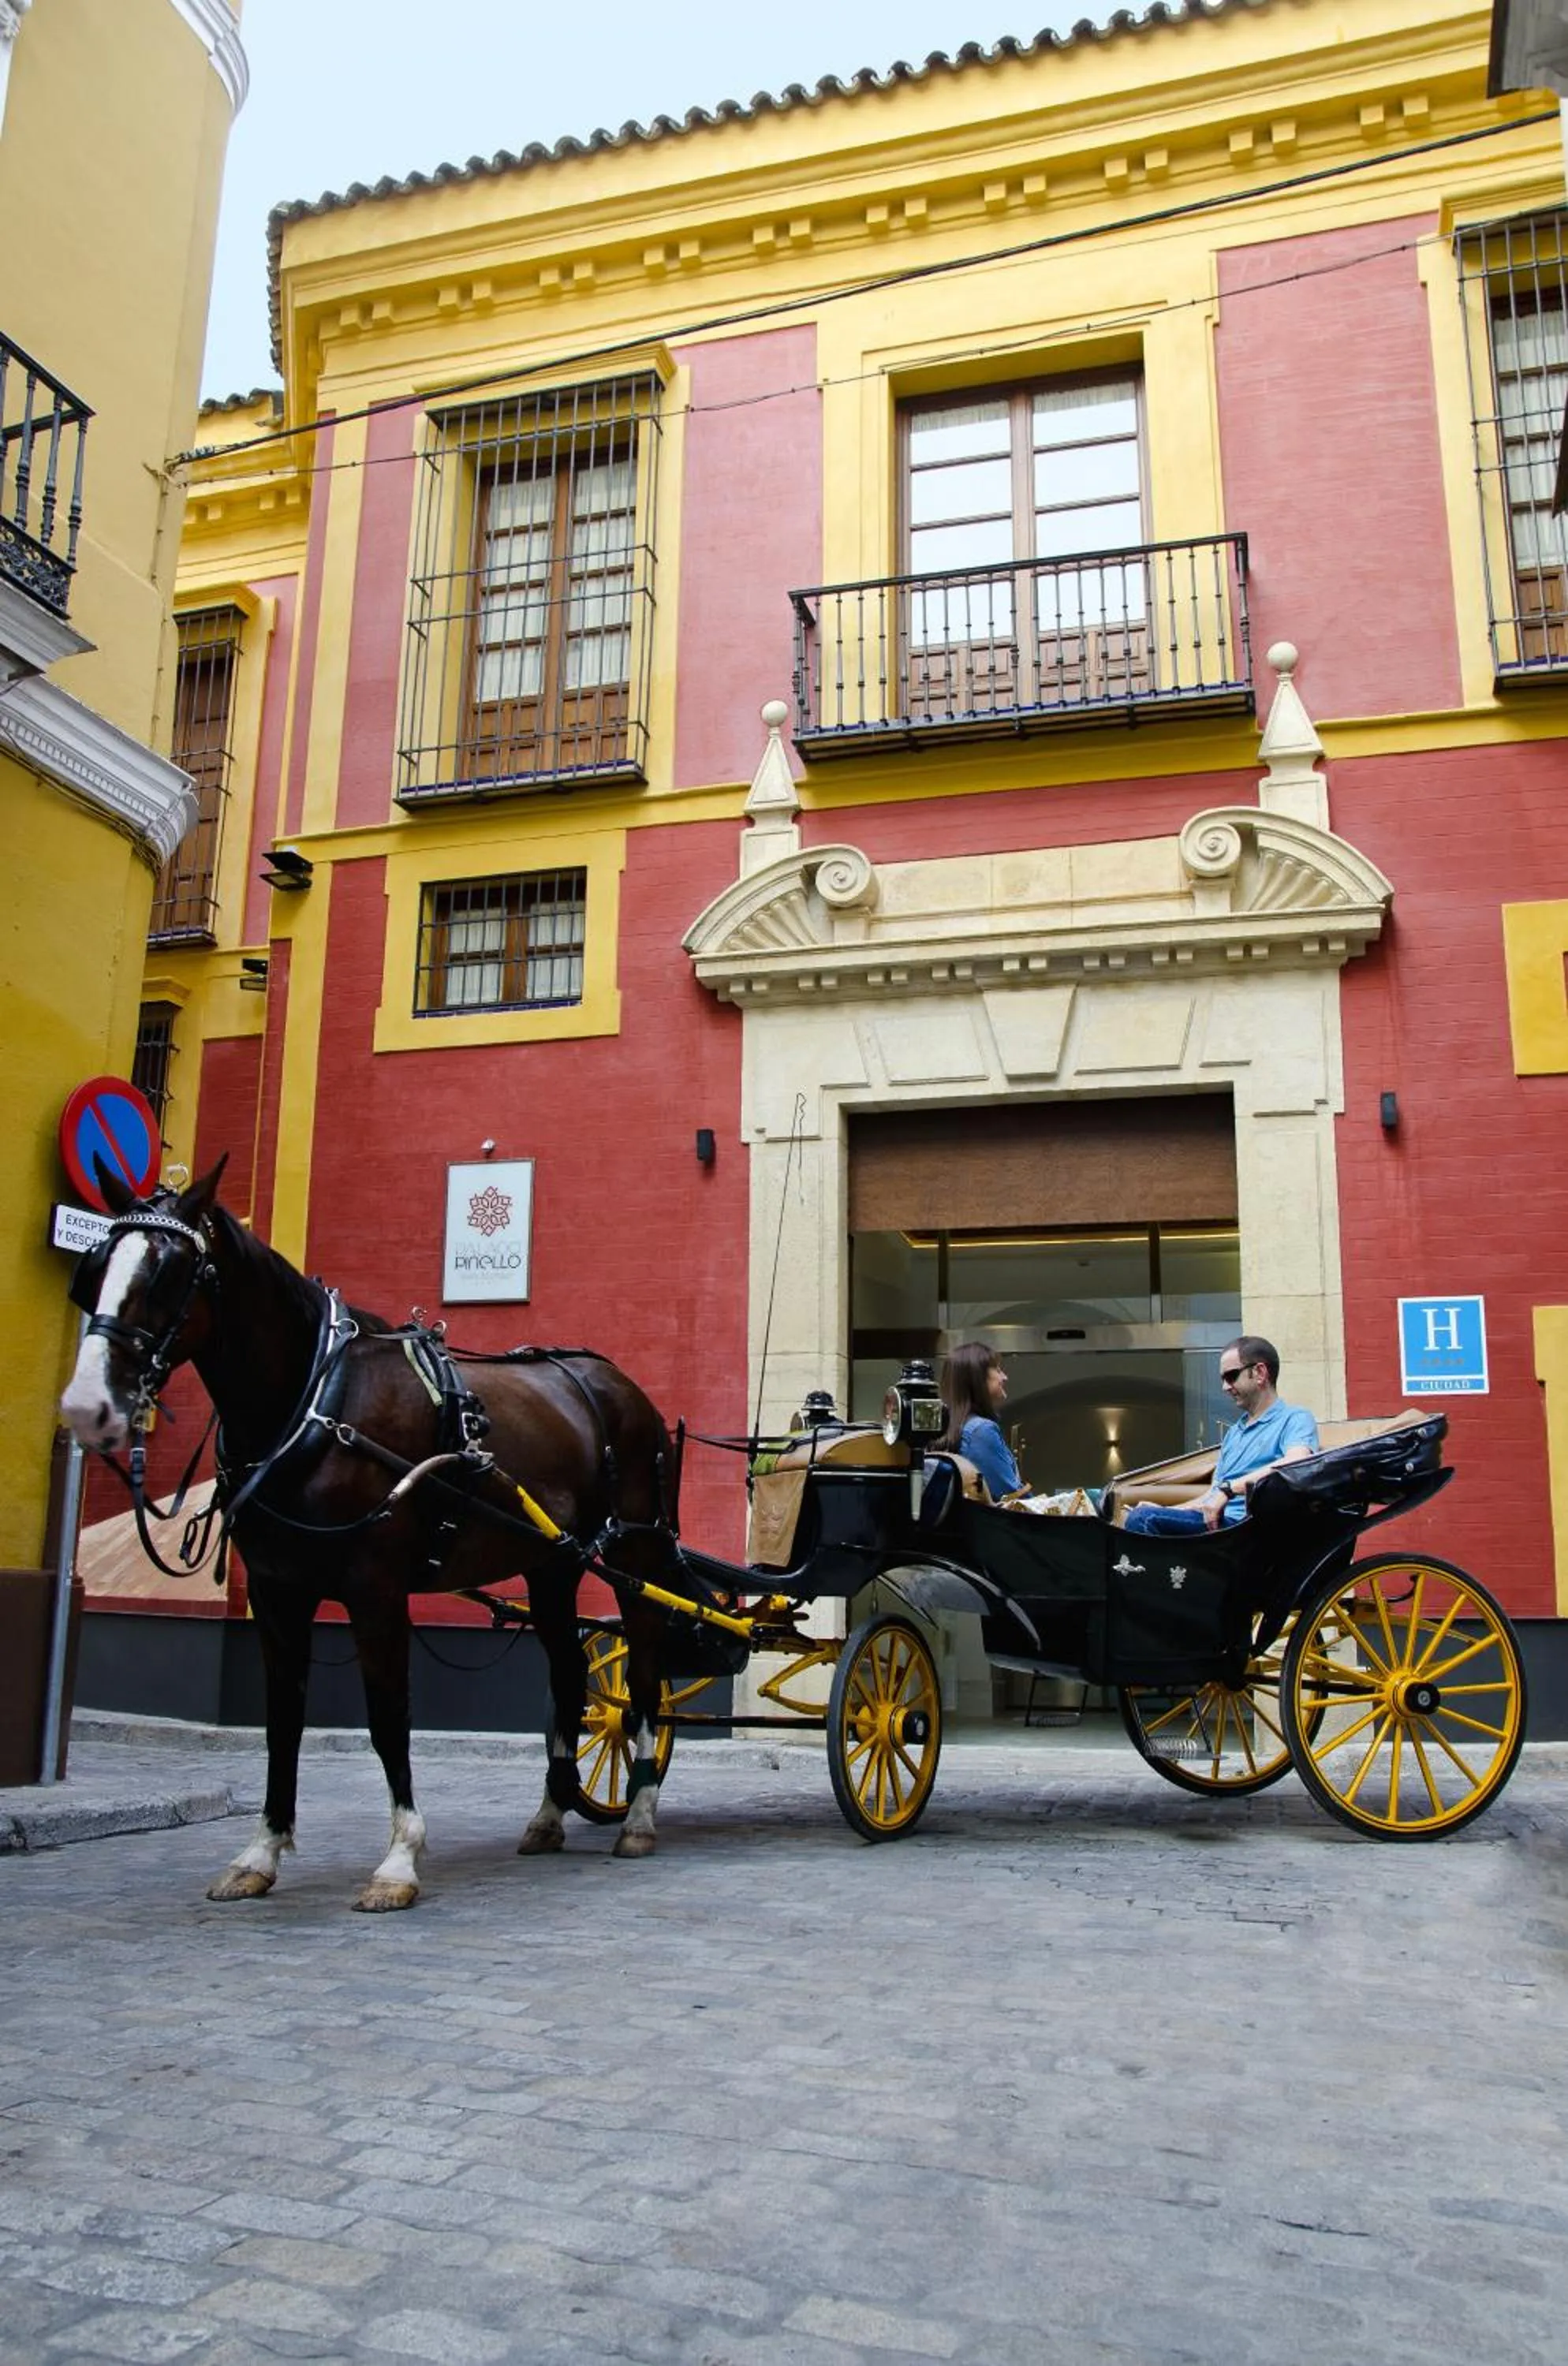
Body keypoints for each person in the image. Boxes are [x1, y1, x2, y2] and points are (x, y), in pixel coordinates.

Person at [1122, 1334, 1318, 1535]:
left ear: (1260, 1372)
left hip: (1248, 1528)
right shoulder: (1234, 1433)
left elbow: (1296, 1463)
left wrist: (1229, 1489)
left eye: (1231, 1376)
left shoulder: (1295, 1418)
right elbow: (1210, 1498)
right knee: (1138, 1517)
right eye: (1222, 1379)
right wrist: (1165, 1510)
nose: (1225, 1387)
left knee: (1142, 1520)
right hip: (1218, 1524)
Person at [940, 1341, 1022, 1502]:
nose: (1004, 1377)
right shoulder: (981, 1431)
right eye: (998, 1370)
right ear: (977, 1378)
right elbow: (1013, 1500)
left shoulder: (948, 1427)